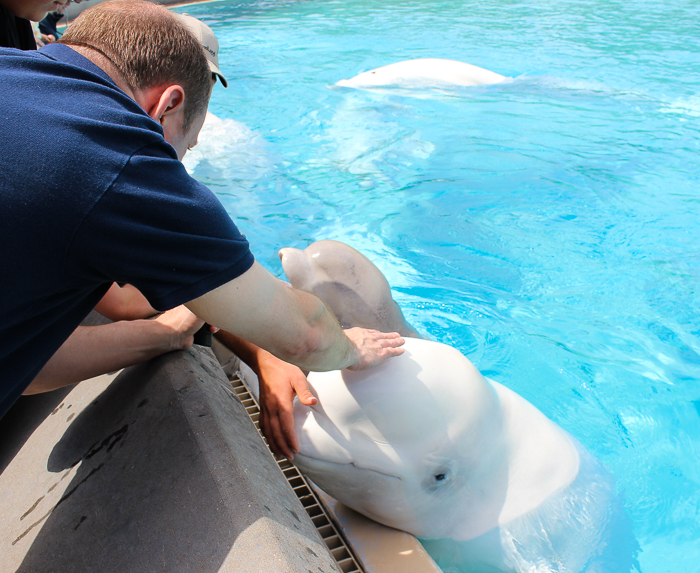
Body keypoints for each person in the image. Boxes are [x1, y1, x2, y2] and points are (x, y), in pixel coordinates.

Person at [0, 1, 404, 453]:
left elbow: (34, 362)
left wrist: (178, 331)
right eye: (184, 147)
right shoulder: (121, 159)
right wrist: (351, 348)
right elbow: (305, 334)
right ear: (167, 105)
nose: (178, 164)